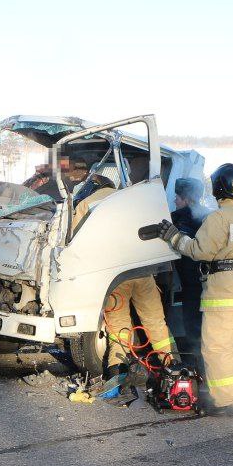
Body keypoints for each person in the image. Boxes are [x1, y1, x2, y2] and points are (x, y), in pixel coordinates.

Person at [157, 164, 233, 416]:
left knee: (217, 348)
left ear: (217, 189)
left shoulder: (219, 218)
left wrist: (174, 237)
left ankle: (225, 401)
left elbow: (199, 250)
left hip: (223, 297)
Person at [73, 164, 177, 394]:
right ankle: (172, 372)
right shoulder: (135, 200)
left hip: (115, 276)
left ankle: (116, 380)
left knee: (119, 328)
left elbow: (75, 243)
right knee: (156, 324)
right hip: (143, 272)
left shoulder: (86, 204)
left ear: (97, 179)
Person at [171, 178, 205, 358]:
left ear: (186, 199)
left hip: (188, 282)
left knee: (191, 324)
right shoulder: (209, 216)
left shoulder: (178, 218)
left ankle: (193, 361)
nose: (175, 201)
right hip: (206, 280)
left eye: (177, 197)